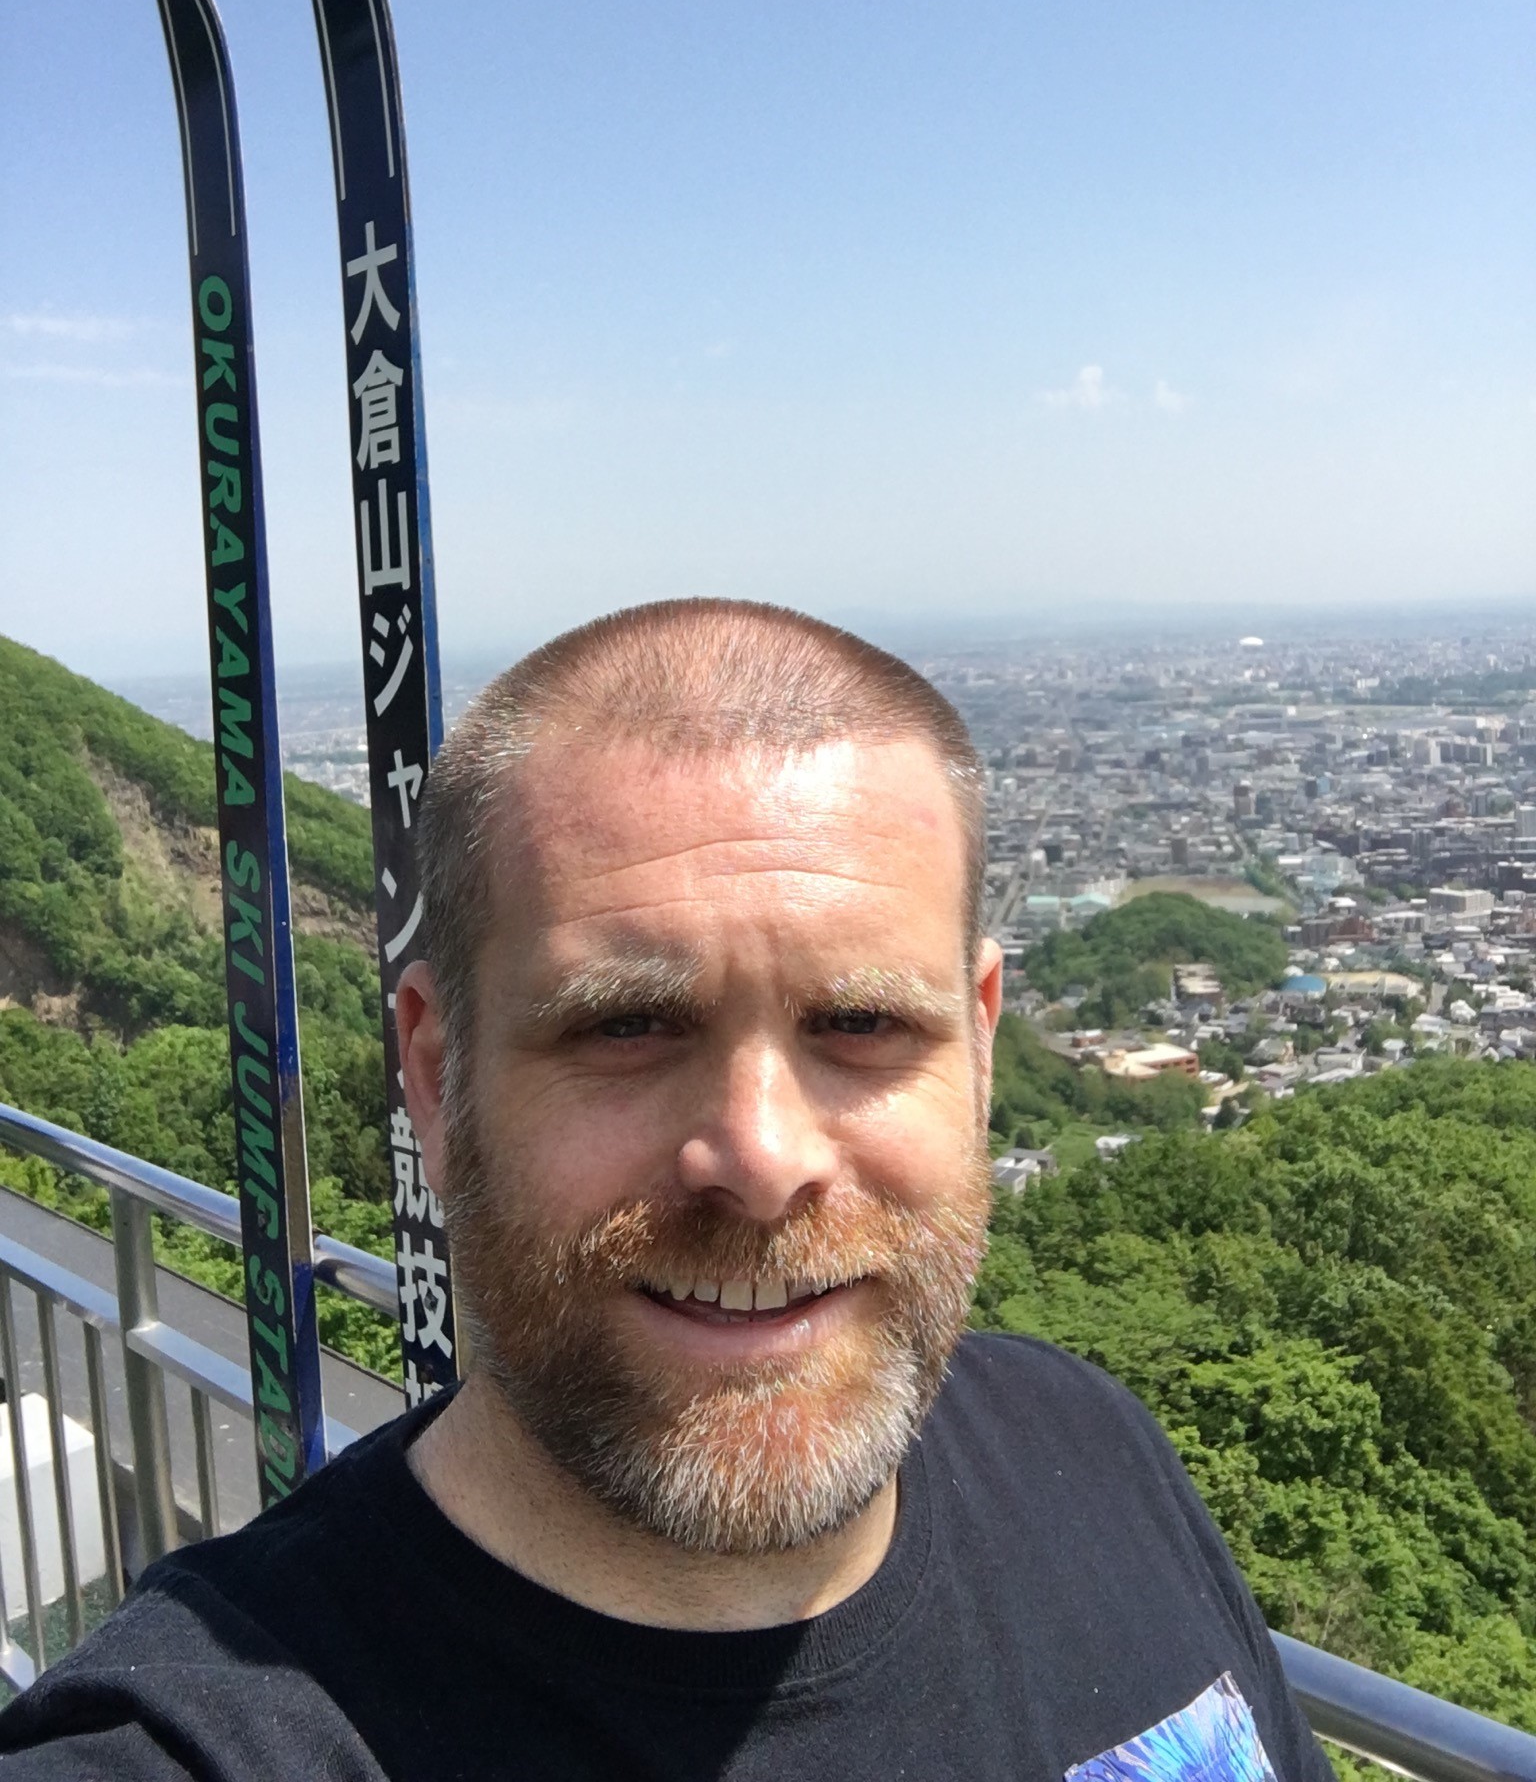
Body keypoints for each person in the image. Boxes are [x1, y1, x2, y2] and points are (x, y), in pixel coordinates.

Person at [0, 600, 1332, 1781]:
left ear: (982, 1047)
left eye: (862, 1023)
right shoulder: (205, 1740)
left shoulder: (1092, 1448)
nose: (758, 1161)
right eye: (626, 1030)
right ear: (435, 1074)